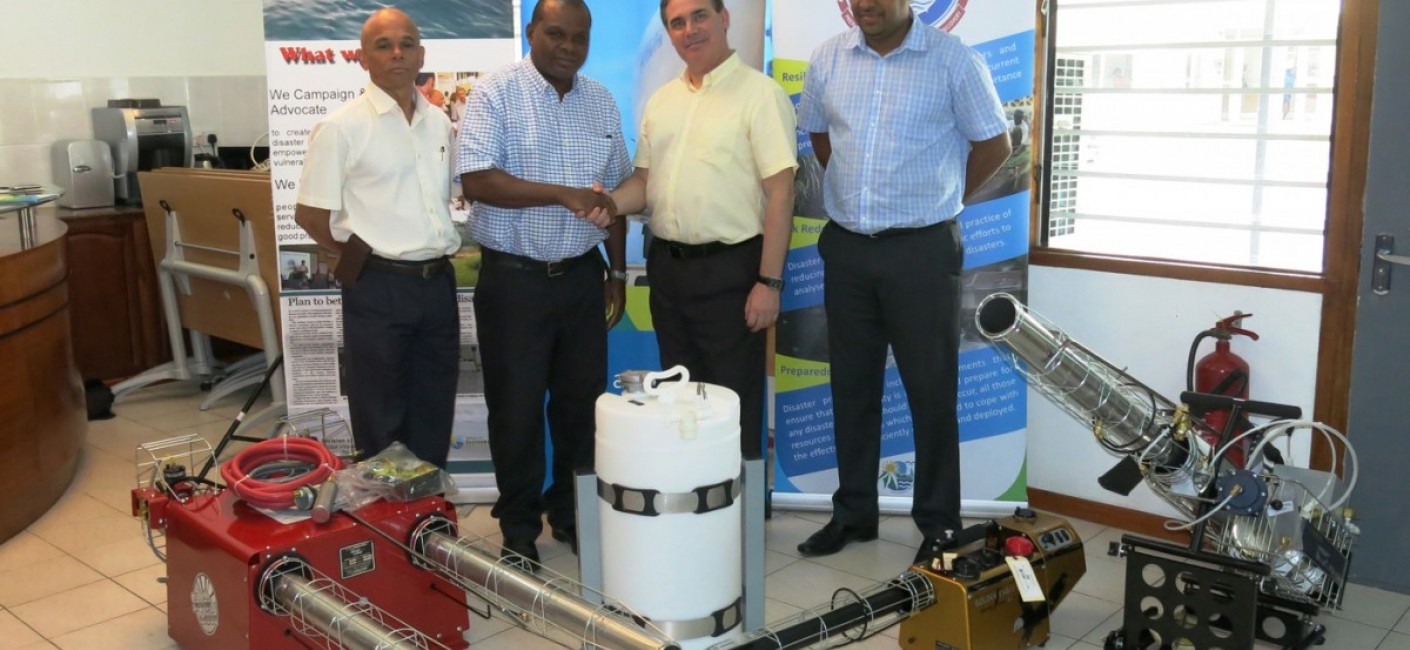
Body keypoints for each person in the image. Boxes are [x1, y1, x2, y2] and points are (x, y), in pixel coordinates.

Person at [793, 0, 1012, 561]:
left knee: (931, 392)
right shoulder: (828, 59)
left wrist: (945, 199)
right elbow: (821, 137)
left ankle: (939, 524)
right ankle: (854, 513)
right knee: (851, 387)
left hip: (922, 250)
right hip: (847, 250)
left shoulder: (952, 59)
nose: (866, 5)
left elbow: (994, 143)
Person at [454, 0, 629, 568]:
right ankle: (520, 527)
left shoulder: (600, 99)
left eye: (580, 38)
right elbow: (477, 181)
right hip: (515, 283)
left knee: (581, 409)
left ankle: (573, 515)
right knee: (518, 409)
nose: (568, 47)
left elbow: (618, 197)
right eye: (556, 34)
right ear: (532, 32)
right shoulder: (495, 92)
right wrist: (560, 192)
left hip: (582, 279)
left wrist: (617, 271)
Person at [598, 0, 797, 461]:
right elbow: (643, 185)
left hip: (733, 274)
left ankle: (738, 522)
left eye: (700, 16)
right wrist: (606, 204)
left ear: (724, 19)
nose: (690, 30)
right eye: (678, 22)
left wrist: (769, 283)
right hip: (668, 272)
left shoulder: (760, 95)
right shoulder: (662, 101)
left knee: (732, 405)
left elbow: (781, 195)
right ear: (669, 32)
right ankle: (696, 513)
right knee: (681, 401)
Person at [293, 8, 460, 469]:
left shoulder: (439, 122)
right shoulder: (342, 127)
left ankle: (428, 526)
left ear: (421, 53)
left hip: (437, 285)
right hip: (379, 287)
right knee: (381, 417)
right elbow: (309, 213)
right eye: (383, 46)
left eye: (406, 44)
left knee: (433, 411)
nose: (397, 54)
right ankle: (387, 531)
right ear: (363, 57)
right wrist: (350, 254)